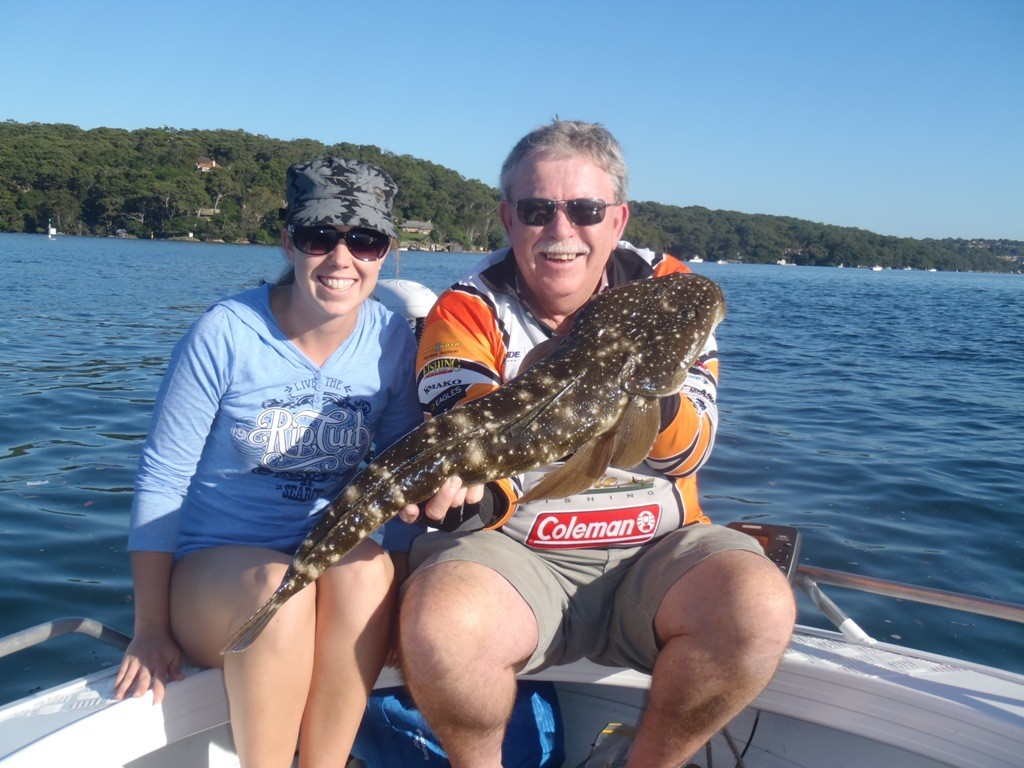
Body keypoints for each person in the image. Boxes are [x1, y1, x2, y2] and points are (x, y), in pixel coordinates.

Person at [396, 121, 796, 768]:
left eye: (584, 210)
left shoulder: (671, 291)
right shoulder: (468, 308)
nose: (560, 231)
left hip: (657, 553)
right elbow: (471, 420)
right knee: (442, 623)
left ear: (618, 219)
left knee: (758, 605)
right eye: (535, 210)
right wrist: (463, 479)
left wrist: (641, 379)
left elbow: (688, 452)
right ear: (507, 218)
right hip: (517, 559)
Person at [114, 157, 423, 768]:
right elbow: (162, 477)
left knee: (368, 569)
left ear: (386, 251)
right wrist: (149, 627)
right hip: (213, 572)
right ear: (288, 241)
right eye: (318, 237)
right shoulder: (225, 334)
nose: (342, 259)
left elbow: (400, 474)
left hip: (321, 562)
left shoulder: (392, 342)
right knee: (278, 591)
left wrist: (401, 595)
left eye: (364, 240)